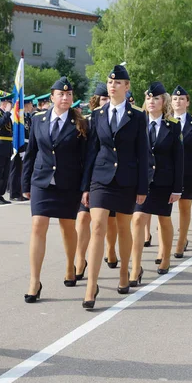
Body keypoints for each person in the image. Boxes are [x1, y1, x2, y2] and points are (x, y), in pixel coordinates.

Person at [81, 65, 148, 308]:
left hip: (127, 180)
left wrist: (143, 187)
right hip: (100, 177)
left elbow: (142, 153)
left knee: (123, 229)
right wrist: (86, 186)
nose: (112, 86)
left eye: (118, 82)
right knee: (97, 225)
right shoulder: (98, 114)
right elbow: (92, 151)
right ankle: (91, 285)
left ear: (127, 87)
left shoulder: (138, 116)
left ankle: (123, 273)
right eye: (110, 82)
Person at [21, 77, 88, 302]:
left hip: (68, 183)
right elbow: (31, 152)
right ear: (52, 97)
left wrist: (84, 186)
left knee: (67, 227)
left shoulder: (80, 122)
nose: (65, 98)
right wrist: (25, 182)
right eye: (61, 94)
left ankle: (71, 265)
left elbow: (86, 158)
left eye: (69, 95)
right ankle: (34, 280)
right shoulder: (39, 119)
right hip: (41, 180)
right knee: (38, 224)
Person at [132, 82, 183, 277]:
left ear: (164, 102)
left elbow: (178, 158)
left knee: (164, 220)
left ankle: (166, 257)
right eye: (148, 98)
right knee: (137, 219)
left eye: (156, 98)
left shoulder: (173, 126)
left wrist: (177, 188)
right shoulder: (138, 123)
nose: (151, 102)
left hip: (164, 182)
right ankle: (136, 266)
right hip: (142, 181)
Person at [75, 83, 116, 280]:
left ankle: (111, 249)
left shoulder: (116, 120)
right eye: (103, 99)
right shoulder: (87, 122)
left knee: (111, 220)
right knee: (83, 218)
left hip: (108, 177)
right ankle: (80, 258)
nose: (107, 102)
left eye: (109, 98)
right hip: (87, 177)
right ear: (96, 101)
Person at [170, 85, 192, 258]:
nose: (178, 101)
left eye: (181, 99)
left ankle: (181, 241)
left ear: (187, 102)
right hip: (167, 173)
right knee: (163, 211)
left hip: (188, 173)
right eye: (175, 99)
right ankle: (165, 243)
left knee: (184, 207)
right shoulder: (165, 121)